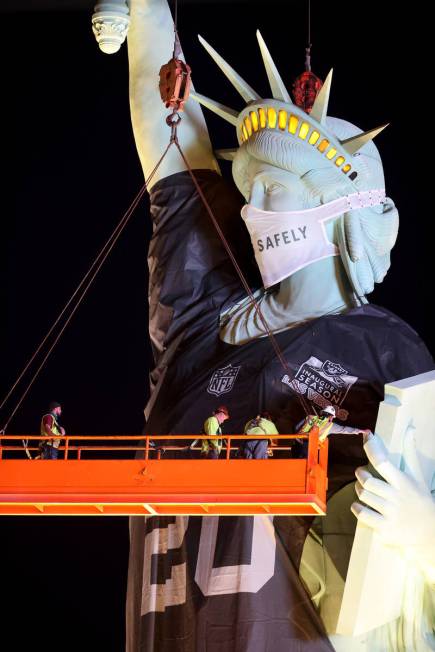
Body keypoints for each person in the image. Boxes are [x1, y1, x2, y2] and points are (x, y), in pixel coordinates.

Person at [293, 405, 371, 458]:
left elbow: (297, 427)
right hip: (310, 449)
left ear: (322, 413)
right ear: (331, 417)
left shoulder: (311, 417)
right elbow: (344, 429)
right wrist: (361, 431)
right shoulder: (330, 426)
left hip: (297, 443)